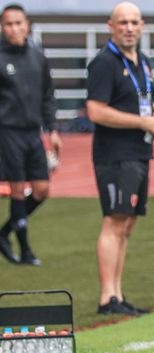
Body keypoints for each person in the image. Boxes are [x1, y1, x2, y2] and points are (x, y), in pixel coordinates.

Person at [86, 1, 154, 316]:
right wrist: (141, 122)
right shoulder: (104, 63)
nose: (129, 28)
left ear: (142, 25)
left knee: (128, 223)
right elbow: (96, 110)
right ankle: (107, 297)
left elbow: (146, 102)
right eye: (122, 22)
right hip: (115, 155)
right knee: (114, 220)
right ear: (111, 26)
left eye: (134, 22)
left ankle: (117, 294)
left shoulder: (142, 62)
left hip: (139, 152)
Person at [0, 3, 63, 266]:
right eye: (8, 24)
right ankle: (24, 250)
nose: (14, 28)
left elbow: (47, 95)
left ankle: (3, 233)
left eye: (18, 23)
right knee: (16, 189)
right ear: (2, 28)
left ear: (27, 25)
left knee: (41, 190)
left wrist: (52, 129)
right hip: (7, 131)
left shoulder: (37, 55)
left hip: (32, 133)